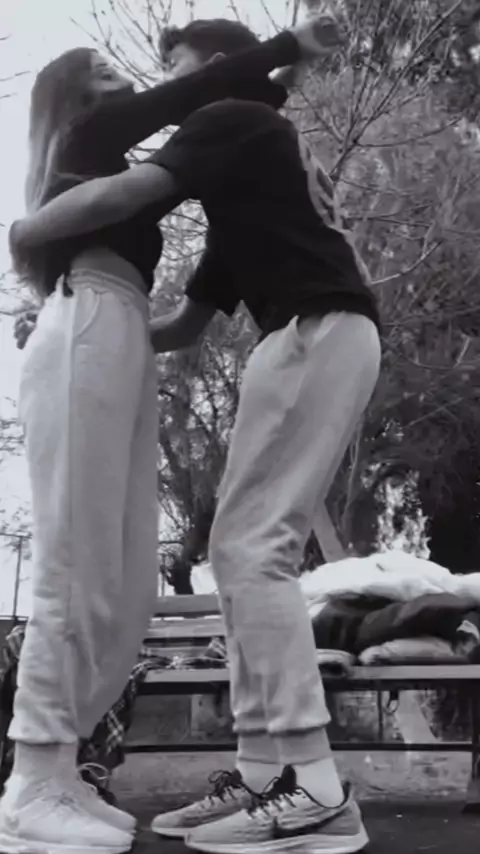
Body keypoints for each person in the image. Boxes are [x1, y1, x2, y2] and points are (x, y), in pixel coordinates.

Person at [10, 17, 379, 854]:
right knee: (208, 552)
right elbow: (184, 320)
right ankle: (259, 774)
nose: (155, 81)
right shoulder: (239, 166)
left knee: (229, 555)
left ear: (210, 66)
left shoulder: (228, 125)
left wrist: (29, 234)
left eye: (170, 63)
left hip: (298, 329)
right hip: (271, 330)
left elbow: (135, 194)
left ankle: (302, 784)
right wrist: (86, 325)